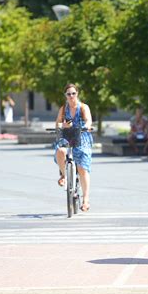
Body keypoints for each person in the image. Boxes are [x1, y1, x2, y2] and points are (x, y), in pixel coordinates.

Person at [54, 84, 93, 212]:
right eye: (68, 94)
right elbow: (57, 123)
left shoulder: (83, 107)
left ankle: (85, 200)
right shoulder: (63, 108)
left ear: (77, 94)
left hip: (82, 137)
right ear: (65, 96)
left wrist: (86, 126)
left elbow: (88, 121)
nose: (71, 96)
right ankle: (64, 175)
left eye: (73, 93)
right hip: (67, 136)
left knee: (82, 168)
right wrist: (62, 125)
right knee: (60, 151)